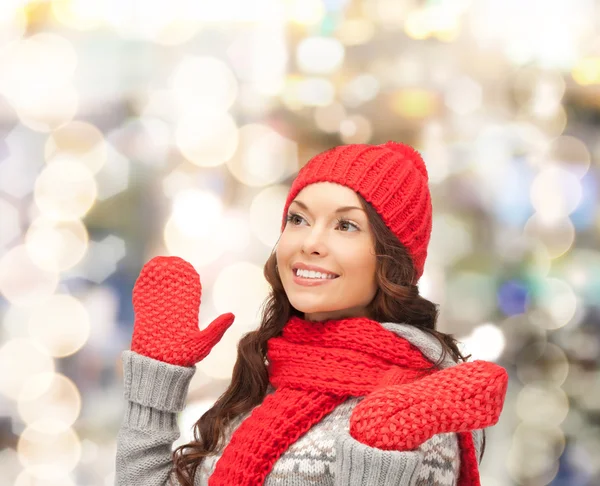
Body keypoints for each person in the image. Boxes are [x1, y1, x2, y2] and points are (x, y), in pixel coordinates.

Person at [115, 141, 508, 486]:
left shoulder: (421, 411)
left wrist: (379, 458)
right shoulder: (263, 382)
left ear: (392, 259)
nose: (311, 242)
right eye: (298, 219)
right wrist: (154, 383)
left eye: (346, 225)